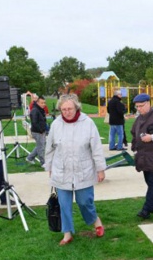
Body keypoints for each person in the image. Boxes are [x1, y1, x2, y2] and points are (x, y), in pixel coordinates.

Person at [44, 94, 107, 246]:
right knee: (64, 204)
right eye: (63, 109)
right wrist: (49, 166)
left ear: (76, 107)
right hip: (61, 170)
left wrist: (100, 169)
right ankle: (67, 233)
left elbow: (96, 147)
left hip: (83, 169)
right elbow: (49, 148)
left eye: (69, 108)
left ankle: (95, 220)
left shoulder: (88, 123)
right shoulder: (56, 124)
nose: (67, 112)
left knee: (85, 201)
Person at [26, 96, 48, 166]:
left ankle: (30, 158)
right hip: (37, 132)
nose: (43, 104)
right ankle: (43, 163)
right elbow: (34, 122)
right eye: (42, 103)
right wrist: (41, 130)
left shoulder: (40, 109)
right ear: (38, 102)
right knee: (41, 147)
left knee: (40, 145)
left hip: (41, 131)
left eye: (44, 103)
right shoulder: (35, 110)